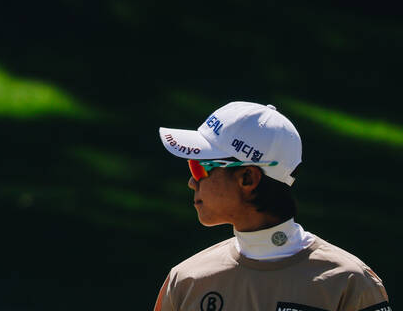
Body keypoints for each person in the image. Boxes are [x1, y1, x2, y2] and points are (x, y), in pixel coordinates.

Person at [154, 101, 391, 311]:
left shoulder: (348, 283)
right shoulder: (185, 280)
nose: (191, 181)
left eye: (200, 167)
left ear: (248, 178)